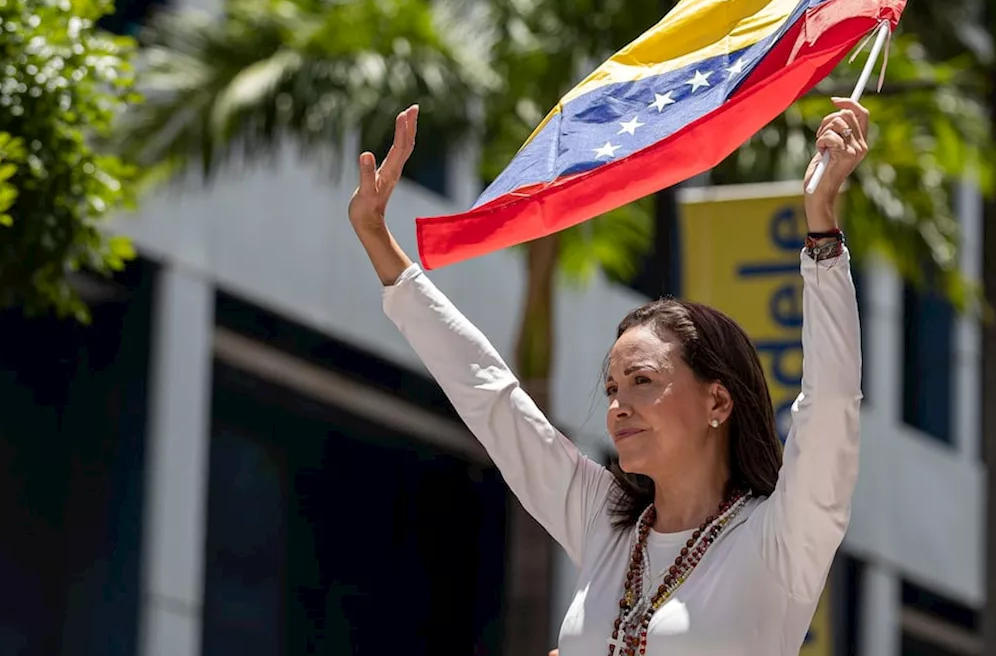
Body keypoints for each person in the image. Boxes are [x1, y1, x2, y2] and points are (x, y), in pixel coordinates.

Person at [348, 99, 866, 655]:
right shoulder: (606, 524)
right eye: (614, 388)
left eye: (642, 381)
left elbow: (831, 402)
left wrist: (821, 229)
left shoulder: (782, 536)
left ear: (718, 400)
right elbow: (491, 396)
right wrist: (379, 239)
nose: (618, 405)